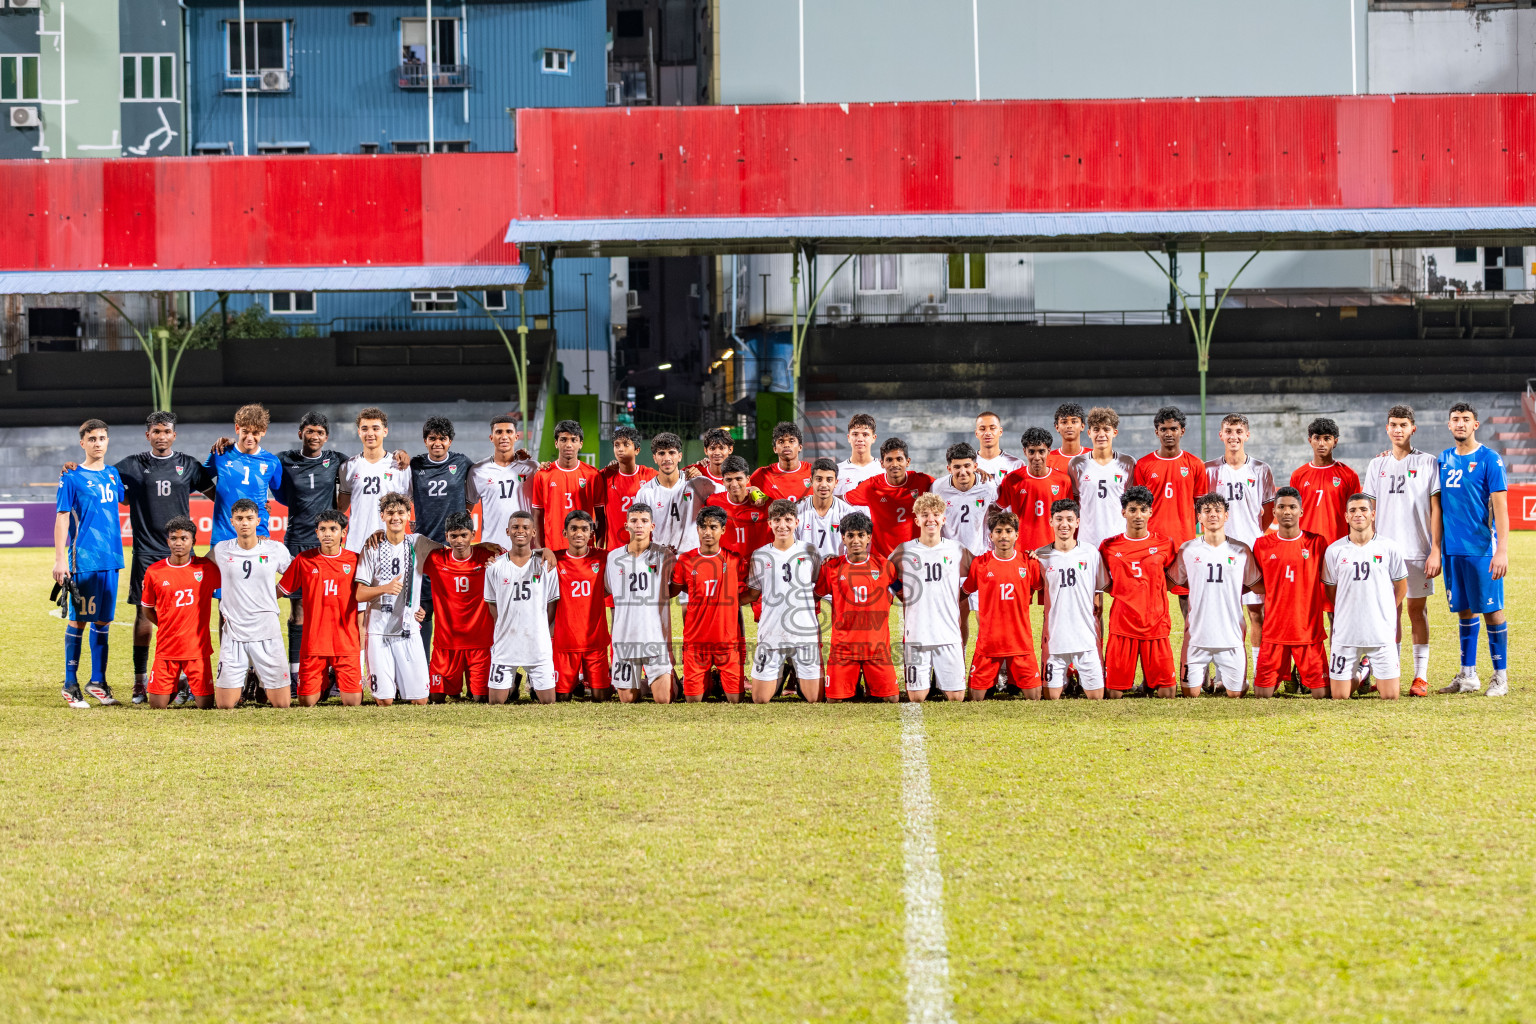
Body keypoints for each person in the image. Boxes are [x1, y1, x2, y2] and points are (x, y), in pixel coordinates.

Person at [71, 411, 217, 704]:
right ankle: (140, 681)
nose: (161, 436)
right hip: (147, 552)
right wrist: (74, 469)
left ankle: (186, 678)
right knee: (144, 615)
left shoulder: (188, 465)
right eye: (156, 431)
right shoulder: (131, 466)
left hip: (181, 552)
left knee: (187, 616)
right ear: (147, 434)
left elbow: (218, 495)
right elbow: (99, 473)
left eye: (166, 431)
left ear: (174, 435)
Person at [1362, 405, 1442, 696]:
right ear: (1387, 429)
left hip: (1418, 552)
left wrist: (1435, 549)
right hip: (1384, 554)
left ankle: (1420, 677)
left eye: (1403, 425)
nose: (1398, 429)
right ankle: (1390, 673)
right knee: (1388, 614)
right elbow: (1369, 510)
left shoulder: (1428, 463)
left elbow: (1436, 509)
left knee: (1416, 611)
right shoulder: (1376, 465)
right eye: (1393, 424)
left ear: (1413, 429)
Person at [1436, 402, 1510, 695]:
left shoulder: (1490, 459)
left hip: (1481, 550)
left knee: (1492, 611)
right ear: (1449, 424)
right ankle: (1468, 676)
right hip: (1452, 550)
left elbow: (1502, 508)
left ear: (1475, 425)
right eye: (1455, 419)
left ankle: (1500, 677)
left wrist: (1501, 550)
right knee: (1464, 611)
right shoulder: (1443, 459)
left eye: (1466, 419)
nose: (1460, 424)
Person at [273, 412, 350, 695]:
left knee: (332, 609)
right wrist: (227, 445)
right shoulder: (284, 459)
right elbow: (256, 461)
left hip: (328, 543)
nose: (314, 436)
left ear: (326, 437)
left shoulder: (338, 459)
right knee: (300, 610)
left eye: (319, 432)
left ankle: (333, 675)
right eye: (309, 431)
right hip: (296, 542)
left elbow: (370, 462)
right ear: (300, 433)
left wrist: (399, 455)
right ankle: (296, 676)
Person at [54, 419, 126, 707]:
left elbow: (125, 500)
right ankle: (70, 685)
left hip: (112, 559)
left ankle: (98, 681)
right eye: (92, 438)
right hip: (84, 558)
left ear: (108, 441)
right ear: (82, 443)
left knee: (103, 620)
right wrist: (61, 560)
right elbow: (61, 517)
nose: (98, 443)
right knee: (79, 620)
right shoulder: (71, 476)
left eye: (102, 438)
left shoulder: (113, 474)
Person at [1132, 405, 1207, 683]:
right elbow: (1137, 509)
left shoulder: (1195, 465)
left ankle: (1196, 673)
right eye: (1163, 429)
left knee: (1192, 614)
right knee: (1148, 615)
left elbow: (1201, 508)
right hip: (1151, 550)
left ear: (1182, 431)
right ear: (1156, 432)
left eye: (1173, 428)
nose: (1168, 433)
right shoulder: (1144, 465)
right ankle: (1150, 676)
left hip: (1185, 549)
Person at [1166, 493, 1263, 698]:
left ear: (1226, 516)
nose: (1213, 515)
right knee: (1190, 693)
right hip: (1196, 638)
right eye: (1207, 511)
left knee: (1235, 694)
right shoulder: (1188, 549)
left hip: (1231, 638)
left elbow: (1257, 586)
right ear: (1199, 517)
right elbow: (1170, 582)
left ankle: (1239, 680)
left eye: (1218, 510)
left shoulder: (1241, 550)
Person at [1206, 413, 1277, 675]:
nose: (1233, 436)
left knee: (1256, 612)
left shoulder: (1261, 469)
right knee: (1222, 613)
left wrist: (1256, 536)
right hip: (1219, 549)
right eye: (1228, 431)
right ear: (1221, 435)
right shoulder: (1209, 469)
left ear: (1247, 435)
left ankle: (1259, 671)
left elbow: (1269, 511)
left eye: (1238, 431)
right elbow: (1202, 509)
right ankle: (1225, 674)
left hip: (1252, 549)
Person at [1323, 494, 1409, 700]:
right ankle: (1362, 674)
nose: (1358, 514)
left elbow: (1401, 587)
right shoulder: (1334, 551)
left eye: (1363, 509)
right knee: (1339, 696)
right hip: (1346, 634)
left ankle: (1371, 668)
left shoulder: (1389, 548)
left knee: (1390, 696)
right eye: (1352, 510)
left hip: (1380, 634)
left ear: (1372, 514)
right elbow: (1331, 590)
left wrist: (1386, 610)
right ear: (1346, 516)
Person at [211, 498, 295, 709]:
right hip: (234, 634)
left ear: (258, 520)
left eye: (249, 518)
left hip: (267, 632)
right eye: (239, 519)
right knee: (224, 705)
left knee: (283, 704)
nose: (245, 523)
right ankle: (247, 680)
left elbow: (297, 573)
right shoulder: (221, 549)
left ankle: (259, 681)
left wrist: (278, 592)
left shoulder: (275, 548)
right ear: (232, 522)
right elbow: (198, 569)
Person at [355, 492, 438, 706]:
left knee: (420, 700)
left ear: (409, 515)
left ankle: (404, 683)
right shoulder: (371, 547)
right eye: (390, 513)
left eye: (401, 512)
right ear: (382, 515)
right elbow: (359, 593)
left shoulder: (418, 543)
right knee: (385, 701)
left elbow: (455, 552)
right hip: (378, 631)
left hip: (408, 629)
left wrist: (482, 546)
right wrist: (385, 588)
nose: (396, 517)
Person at [277, 509, 364, 707]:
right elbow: (281, 590)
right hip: (314, 642)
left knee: (353, 702)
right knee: (307, 702)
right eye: (322, 529)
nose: (327, 533)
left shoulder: (355, 559)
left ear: (343, 533)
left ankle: (332, 675)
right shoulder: (304, 559)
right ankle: (324, 682)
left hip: (345, 641)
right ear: (316, 533)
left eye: (333, 529)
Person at [1098, 486, 1177, 698]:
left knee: (1168, 692)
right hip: (1123, 624)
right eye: (1132, 510)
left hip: (1155, 623)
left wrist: (1153, 592)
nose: (1138, 515)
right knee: (1113, 693)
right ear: (1123, 512)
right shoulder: (1108, 546)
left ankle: (1149, 683)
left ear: (1151, 511)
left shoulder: (1165, 543)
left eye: (1143, 509)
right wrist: (1124, 592)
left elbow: (1171, 576)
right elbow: (1103, 580)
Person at [892, 493, 971, 702]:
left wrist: (962, 594)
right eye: (925, 515)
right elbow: (887, 574)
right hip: (917, 634)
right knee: (916, 697)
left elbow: (978, 573)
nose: (931, 519)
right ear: (917, 520)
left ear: (943, 519)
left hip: (949, 634)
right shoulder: (905, 549)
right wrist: (901, 593)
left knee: (956, 697)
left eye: (936, 514)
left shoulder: (956, 549)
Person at [1252, 487, 1329, 698]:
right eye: (1282, 507)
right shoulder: (1261, 545)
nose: (1287, 511)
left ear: (1301, 511)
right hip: (1274, 632)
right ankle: (1291, 677)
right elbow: (1254, 582)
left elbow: (1331, 581)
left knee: (1321, 694)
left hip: (1308, 631)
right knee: (1261, 694)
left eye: (1292, 507)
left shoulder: (1317, 543)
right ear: (1274, 512)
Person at [745, 500, 824, 703]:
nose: (783, 525)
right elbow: (753, 593)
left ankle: (792, 670)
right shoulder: (760, 555)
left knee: (814, 698)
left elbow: (816, 586)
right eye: (777, 520)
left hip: (804, 635)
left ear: (796, 522)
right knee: (760, 699)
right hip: (771, 633)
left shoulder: (810, 552)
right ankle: (780, 674)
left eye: (788, 520)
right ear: (769, 523)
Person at [814, 511, 898, 703]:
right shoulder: (832, 568)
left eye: (861, 535)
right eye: (850, 535)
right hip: (843, 649)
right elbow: (814, 597)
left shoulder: (885, 566)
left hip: (876, 648)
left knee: (891, 699)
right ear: (843, 538)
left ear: (869, 537)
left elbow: (900, 592)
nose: (856, 540)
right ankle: (856, 685)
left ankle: (866, 684)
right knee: (833, 700)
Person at [670, 506, 749, 703]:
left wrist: (730, 600)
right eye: (703, 527)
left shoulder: (734, 560)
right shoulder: (685, 560)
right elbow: (675, 590)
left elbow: (752, 591)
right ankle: (711, 681)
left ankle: (716, 679)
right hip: (696, 642)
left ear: (723, 530)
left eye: (713, 527)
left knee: (736, 699)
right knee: (693, 700)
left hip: (727, 641)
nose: (707, 532)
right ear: (697, 529)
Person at [140, 515, 219, 710]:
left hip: (198, 650)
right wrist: (166, 623)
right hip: (167, 649)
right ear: (167, 541)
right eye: (174, 538)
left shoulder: (206, 568)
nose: (178, 543)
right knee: (157, 706)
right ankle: (178, 684)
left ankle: (184, 684)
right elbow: (147, 609)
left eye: (184, 538)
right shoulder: (154, 571)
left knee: (206, 706)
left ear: (193, 541)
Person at [961, 511, 1043, 700]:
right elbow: (964, 592)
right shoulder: (980, 564)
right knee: (975, 697)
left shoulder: (1029, 562)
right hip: (989, 643)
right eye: (998, 531)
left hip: (1020, 642)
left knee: (1036, 696)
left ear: (1016, 535)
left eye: (1008, 531)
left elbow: (1040, 586)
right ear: (991, 536)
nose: (1003, 536)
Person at [484, 510, 561, 705]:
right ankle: (515, 683)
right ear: (507, 531)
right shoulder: (494, 567)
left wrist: (540, 626)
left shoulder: (546, 566)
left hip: (537, 644)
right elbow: (492, 605)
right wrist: (505, 624)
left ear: (533, 532)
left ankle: (531, 679)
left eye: (526, 527)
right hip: (505, 643)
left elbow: (552, 603)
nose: (521, 531)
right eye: (516, 527)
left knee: (549, 701)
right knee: (495, 702)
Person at [1035, 500, 1108, 700]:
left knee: (1097, 698)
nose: (1064, 524)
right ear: (1050, 521)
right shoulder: (1040, 556)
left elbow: (1099, 592)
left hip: (1085, 638)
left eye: (1069, 519)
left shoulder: (1091, 552)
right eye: (1058, 519)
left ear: (1077, 522)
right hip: (1055, 640)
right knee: (1051, 697)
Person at [604, 504, 677, 703]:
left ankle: (671, 680)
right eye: (634, 521)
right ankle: (645, 683)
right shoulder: (613, 558)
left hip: (655, 638)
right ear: (626, 524)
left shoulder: (665, 556)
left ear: (652, 526)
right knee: (627, 699)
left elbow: (676, 586)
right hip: (624, 639)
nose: (639, 525)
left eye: (644, 521)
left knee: (664, 699)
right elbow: (608, 590)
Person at [421, 510, 496, 703]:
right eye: (453, 536)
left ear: (473, 534)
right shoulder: (436, 559)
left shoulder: (488, 557)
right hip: (446, 643)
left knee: (481, 698)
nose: (459, 540)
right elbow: (408, 562)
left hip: (479, 642)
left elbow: (518, 557)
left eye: (464, 535)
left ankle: (508, 684)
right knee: (436, 698)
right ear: (446, 537)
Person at [204, 403, 284, 546]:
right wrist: (216, 497)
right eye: (245, 431)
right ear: (237, 428)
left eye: (255, 433)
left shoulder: (272, 462)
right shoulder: (221, 453)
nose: (249, 437)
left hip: (258, 536)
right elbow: (199, 480)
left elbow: (282, 496)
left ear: (263, 431)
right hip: (223, 537)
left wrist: (266, 509)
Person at [551, 510, 611, 701]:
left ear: (591, 533)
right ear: (564, 533)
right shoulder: (553, 559)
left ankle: (584, 683)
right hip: (565, 641)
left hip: (595, 640)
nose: (579, 533)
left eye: (584, 529)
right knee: (562, 698)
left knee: (600, 697)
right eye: (574, 529)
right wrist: (541, 550)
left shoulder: (604, 557)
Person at [845, 437, 936, 560]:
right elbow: (841, 499)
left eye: (899, 459)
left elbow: (946, 490)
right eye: (889, 460)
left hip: (916, 558)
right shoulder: (871, 486)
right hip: (882, 560)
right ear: (882, 463)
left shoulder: (923, 481)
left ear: (907, 461)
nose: (894, 464)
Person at [1067, 406, 1139, 555]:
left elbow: (1132, 503)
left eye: (1106, 429)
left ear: (1114, 432)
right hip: (1087, 541)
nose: (1101, 434)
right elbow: (1074, 502)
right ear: (1089, 433)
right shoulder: (1076, 464)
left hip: (1118, 539)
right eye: (1096, 429)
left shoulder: (1128, 463)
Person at [340, 408, 410, 554]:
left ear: (385, 431)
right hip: (356, 545)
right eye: (364, 428)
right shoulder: (348, 467)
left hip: (390, 545)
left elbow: (412, 503)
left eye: (375, 428)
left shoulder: (400, 466)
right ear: (359, 432)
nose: (370, 433)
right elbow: (341, 507)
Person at [996, 427, 1074, 555]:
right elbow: (998, 510)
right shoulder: (1012, 479)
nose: (1037, 457)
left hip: (1054, 550)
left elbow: (1070, 517)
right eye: (1031, 451)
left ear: (1049, 451)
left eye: (1041, 451)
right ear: (1025, 452)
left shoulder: (1063, 481)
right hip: (1021, 550)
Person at [529, 419, 604, 552]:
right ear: (556, 443)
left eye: (573, 440)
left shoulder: (593, 475)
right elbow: (537, 516)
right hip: (553, 550)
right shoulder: (543, 475)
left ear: (580, 444)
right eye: (563, 440)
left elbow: (600, 517)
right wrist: (540, 549)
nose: (568, 444)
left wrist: (598, 549)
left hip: (585, 550)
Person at [468, 413, 540, 551]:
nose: (504, 436)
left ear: (516, 437)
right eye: (499, 432)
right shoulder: (477, 470)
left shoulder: (532, 468)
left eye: (509, 431)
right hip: (492, 549)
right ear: (491, 437)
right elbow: (466, 511)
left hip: (526, 549)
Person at [633, 432, 713, 555]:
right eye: (661, 453)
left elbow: (727, 493)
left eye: (671, 452)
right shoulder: (645, 493)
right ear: (654, 458)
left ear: (680, 456)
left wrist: (750, 489)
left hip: (692, 561)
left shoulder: (697, 484)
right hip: (661, 560)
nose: (667, 458)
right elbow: (638, 534)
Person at [1290, 417, 1361, 544]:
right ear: (1310, 440)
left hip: (1339, 545)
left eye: (1327, 438)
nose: (1321, 443)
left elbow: (1355, 514)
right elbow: (1293, 515)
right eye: (1317, 438)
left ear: (1335, 441)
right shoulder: (1298, 475)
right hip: (1306, 546)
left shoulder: (1349, 475)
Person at [932, 442, 998, 558]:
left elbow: (996, 513)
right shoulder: (938, 487)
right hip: (948, 555)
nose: (962, 472)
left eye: (967, 466)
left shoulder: (988, 486)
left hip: (979, 554)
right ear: (949, 469)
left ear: (975, 466)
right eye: (957, 467)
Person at [595, 425, 657, 551]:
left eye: (626, 444)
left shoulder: (650, 476)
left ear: (637, 450)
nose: (620, 449)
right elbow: (599, 519)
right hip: (614, 551)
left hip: (645, 551)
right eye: (616, 445)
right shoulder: (605, 476)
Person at [707, 455, 772, 558]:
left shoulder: (763, 502)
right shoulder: (712, 502)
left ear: (747, 479)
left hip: (759, 565)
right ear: (723, 481)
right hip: (729, 567)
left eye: (738, 479)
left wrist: (756, 492)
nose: (734, 484)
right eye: (729, 480)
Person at [796, 457, 856, 559]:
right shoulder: (797, 510)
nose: (823, 485)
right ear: (811, 481)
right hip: (804, 571)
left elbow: (853, 551)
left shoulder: (848, 513)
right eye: (819, 479)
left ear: (836, 483)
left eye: (829, 480)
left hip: (835, 572)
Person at [750, 421, 815, 501]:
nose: (786, 445)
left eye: (791, 441)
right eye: (781, 442)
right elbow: (743, 493)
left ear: (800, 447)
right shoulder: (761, 475)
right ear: (775, 449)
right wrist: (751, 490)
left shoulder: (814, 472)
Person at [836, 413, 884, 502]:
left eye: (865, 435)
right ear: (848, 437)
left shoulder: (883, 470)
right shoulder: (837, 471)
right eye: (855, 434)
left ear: (874, 438)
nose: (860, 439)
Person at [973, 411, 1024, 476]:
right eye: (982, 429)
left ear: (1000, 431)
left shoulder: (1016, 464)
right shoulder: (967, 465)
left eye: (992, 428)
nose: (987, 433)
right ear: (976, 433)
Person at [684, 427, 735, 493]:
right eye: (712, 448)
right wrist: (686, 476)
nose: (717, 453)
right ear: (706, 450)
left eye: (721, 448)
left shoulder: (738, 476)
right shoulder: (695, 470)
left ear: (730, 450)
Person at [1046, 403, 1087, 475]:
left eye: (1074, 422)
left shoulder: (1094, 457)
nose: (1069, 426)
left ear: (1082, 426)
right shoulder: (1047, 459)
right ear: (1057, 427)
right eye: (1064, 422)